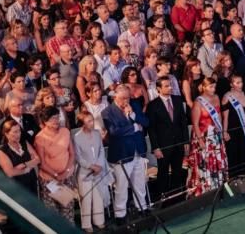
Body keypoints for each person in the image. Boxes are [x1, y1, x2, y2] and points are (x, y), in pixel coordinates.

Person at [102, 85, 150, 224]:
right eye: (123, 98)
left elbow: (146, 122)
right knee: (122, 186)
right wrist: (134, 127)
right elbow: (114, 131)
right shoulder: (107, 112)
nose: (126, 101)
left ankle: (142, 207)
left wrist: (134, 116)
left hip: (137, 151)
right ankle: (120, 214)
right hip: (122, 154)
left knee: (140, 182)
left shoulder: (133, 104)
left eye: (128, 97)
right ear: (114, 96)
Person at [145, 75, 189, 203]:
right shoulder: (153, 106)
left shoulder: (177, 100)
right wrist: (156, 147)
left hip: (178, 143)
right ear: (158, 88)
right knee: (163, 172)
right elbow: (151, 129)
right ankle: (162, 198)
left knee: (177, 170)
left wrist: (185, 141)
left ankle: (177, 197)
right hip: (163, 146)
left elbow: (183, 122)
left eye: (171, 85)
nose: (170, 88)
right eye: (166, 86)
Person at [34, 105, 77, 223]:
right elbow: (42, 163)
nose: (56, 121)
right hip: (50, 180)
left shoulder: (65, 131)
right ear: (45, 121)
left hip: (67, 176)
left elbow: (72, 154)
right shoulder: (40, 138)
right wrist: (57, 176)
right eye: (52, 119)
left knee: (67, 209)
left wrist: (66, 172)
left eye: (57, 118)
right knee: (53, 212)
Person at [187, 77, 227, 195]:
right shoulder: (198, 102)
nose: (213, 89)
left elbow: (219, 115)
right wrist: (200, 141)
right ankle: (205, 189)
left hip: (215, 135)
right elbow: (195, 124)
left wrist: (222, 131)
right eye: (211, 87)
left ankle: (219, 186)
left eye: (214, 87)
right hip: (203, 136)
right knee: (205, 163)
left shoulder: (216, 97)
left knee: (217, 160)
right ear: (203, 87)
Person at [74, 111, 108, 232]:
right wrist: (91, 166)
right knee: (86, 199)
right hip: (85, 173)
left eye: (92, 120)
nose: (92, 123)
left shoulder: (97, 133)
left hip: (99, 170)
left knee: (99, 196)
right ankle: (86, 224)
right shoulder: (77, 137)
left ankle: (99, 221)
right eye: (88, 121)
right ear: (82, 123)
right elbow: (78, 157)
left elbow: (101, 151)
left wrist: (99, 166)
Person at [0, 118, 41, 194]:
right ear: (7, 134)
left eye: (19, 131)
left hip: (31, 183)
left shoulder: (25, 143)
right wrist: (26, 170)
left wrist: (24, 164)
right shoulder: (2, 152)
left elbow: (37, 159)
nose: (18, 134)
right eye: (15, 132)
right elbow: (10, 172)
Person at [221, 74, 245, 174]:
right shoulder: (227, 97)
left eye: (241, 82)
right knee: (234, 155)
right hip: (233, 130)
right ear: (231, 84)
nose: (240, 85)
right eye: (237, 83)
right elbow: (225, 117)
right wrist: (225, 132)